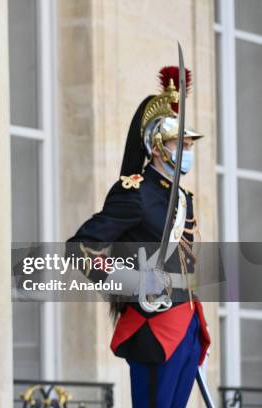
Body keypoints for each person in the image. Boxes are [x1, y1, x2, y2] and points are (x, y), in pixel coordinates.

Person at [67, 67, 211, 407]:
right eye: (182, 143)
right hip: (154, 326)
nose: (188, 150)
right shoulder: (133, 192)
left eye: (190, 143)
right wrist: (133, 281)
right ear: (159, 146)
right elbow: (79, 249)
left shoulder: (182, 197)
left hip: (186, 321)